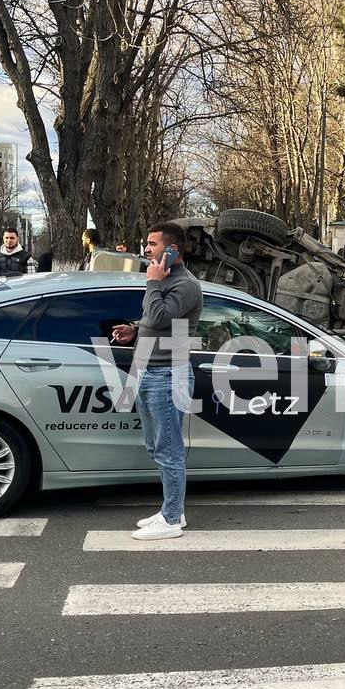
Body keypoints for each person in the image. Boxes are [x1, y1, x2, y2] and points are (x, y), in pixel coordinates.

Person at [111, 221, 203, 540]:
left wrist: (152, 284)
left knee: (168, 449)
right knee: (155, 446)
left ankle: (172, 518)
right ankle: (171, 508)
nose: (147, 249)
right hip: (150, 371)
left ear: (172, 249)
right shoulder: (164, 279)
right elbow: (156, 320)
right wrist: (136, 329)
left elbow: (163, 317)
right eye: (146, 243)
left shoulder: (185, 285)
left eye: (152, 243)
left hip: (168, 374)